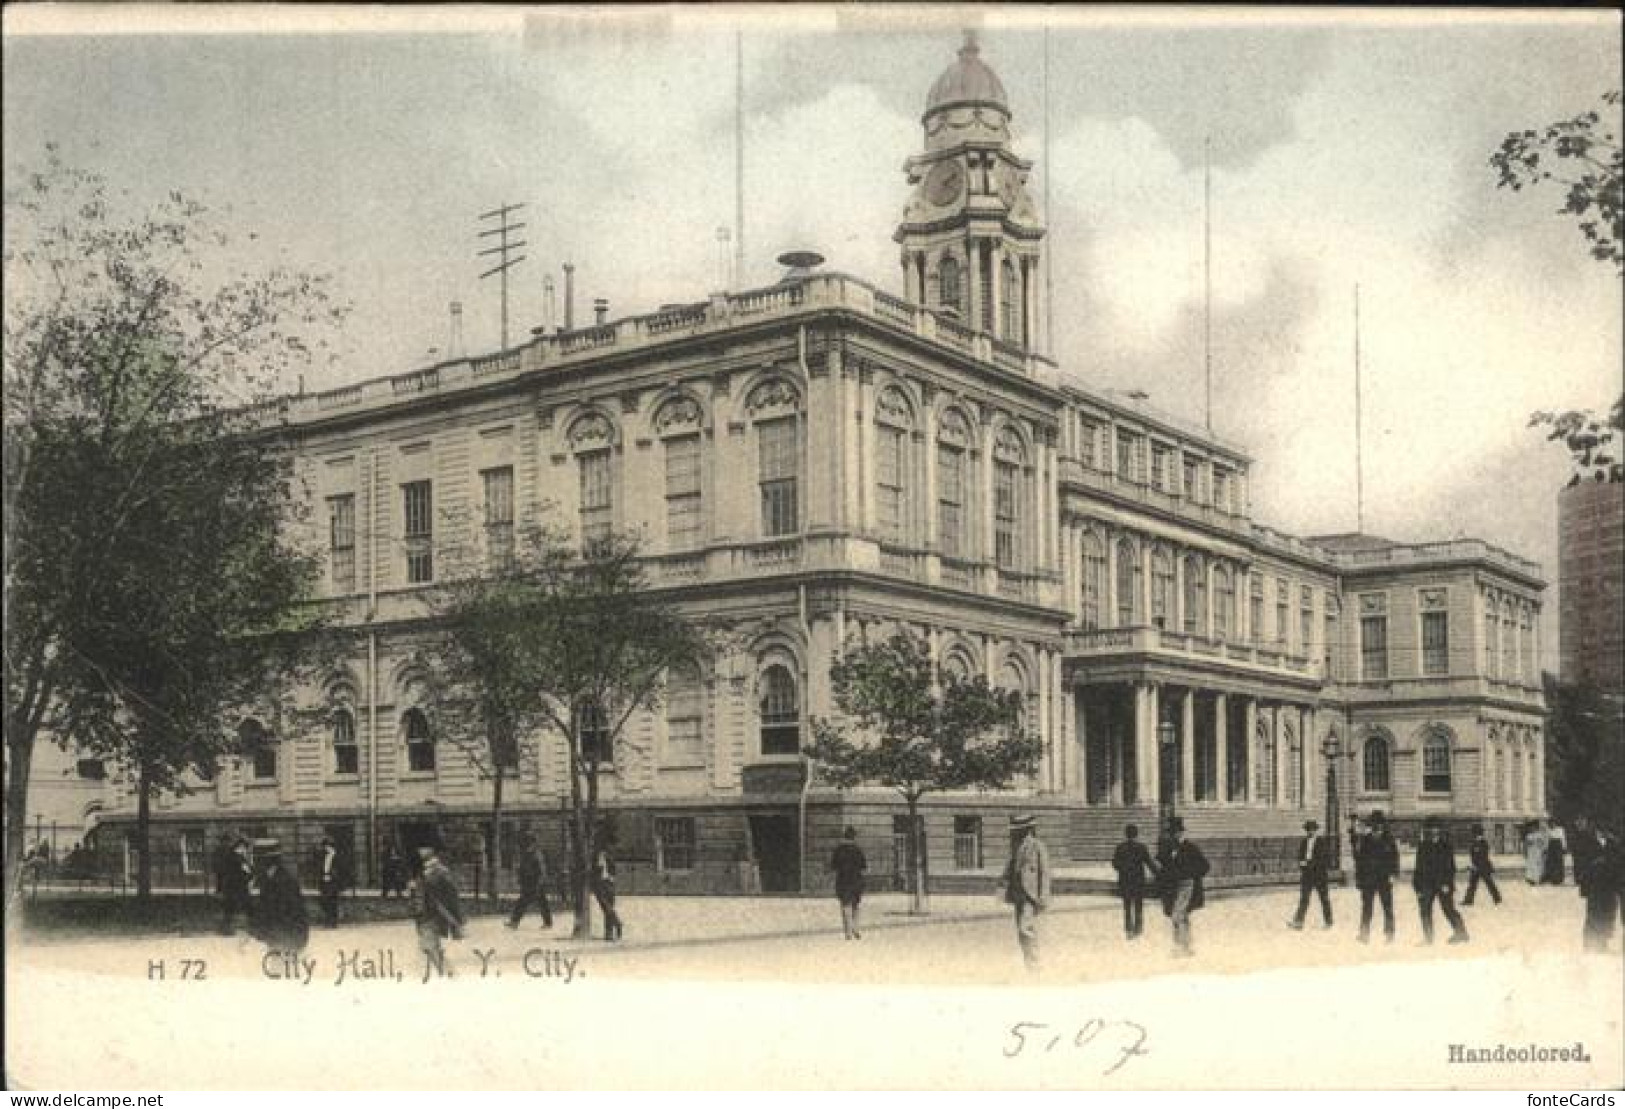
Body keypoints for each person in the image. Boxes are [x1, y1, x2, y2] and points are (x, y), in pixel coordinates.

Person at [1000, 814, 1050, 972]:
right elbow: (1010, 867)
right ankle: (1029, 963)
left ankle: (1035, 964)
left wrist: (1043, 895)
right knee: (1021, 931)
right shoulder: (1016, 846)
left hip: (1031, 894)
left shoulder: (1037, 846)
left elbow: (1045, 872)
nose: (1017, 833)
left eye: (1020, 830)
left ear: (1028, 830)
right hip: (1018, 894)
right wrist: (1003, 883)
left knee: (1025, 928)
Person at [1157, 818, 1210, 958]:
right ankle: (1185, 947)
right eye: (1171, 833)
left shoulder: (1190, 847)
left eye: (1176, 833)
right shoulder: (1167, 848)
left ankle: (1179, 946)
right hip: (1172, 886)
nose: (1173, 835)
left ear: (1181, 833)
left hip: (1186, 885)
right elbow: (1163, 866)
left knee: (1177, 914)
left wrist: (1190, 873)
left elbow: (1204, 866)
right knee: (1180, 915)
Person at [1412, 817, 1469, 945]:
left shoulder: (1446, 846)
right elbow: (1418, 868)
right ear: (1427, 831)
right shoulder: (1423, 846)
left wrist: (1447, 884)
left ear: (1440, 830)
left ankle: (1461, 933)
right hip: (1426, 884)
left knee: (1448, 909)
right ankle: (1428, 938)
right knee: (1425, 910)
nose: (1433, 831)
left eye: (1436, 828)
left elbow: (1451, 867)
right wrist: (1417, 887)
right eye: (1431, 829)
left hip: (1442, 884)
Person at [413, 845, 466, 975]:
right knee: (428, 947)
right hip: (423, 915)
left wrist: (457, 921)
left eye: (424, 847)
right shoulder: (423, 871)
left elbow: (452, 897)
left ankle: (450, 975)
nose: (420, 850)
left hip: (434, 915)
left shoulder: (440, 872)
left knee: (429, 946)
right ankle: (449, 974)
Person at [249, 842, 309, 957]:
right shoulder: (268, 879)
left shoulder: (285, 882)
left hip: (288, 941)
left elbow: (287, 915)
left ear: (267, 862)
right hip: (277, 940)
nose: (254, 865)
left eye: (257, 860)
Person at [1353, 810, 1400, 943]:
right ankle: (1364, 934)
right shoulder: (1365, 840)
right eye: (1374, 825)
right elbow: (1360, 861)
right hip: (1368, 879)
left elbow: (1394, 858)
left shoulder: (1389, 839)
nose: (1376, 828)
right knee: (1367, 907)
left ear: (1383, 826)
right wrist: (1359, 879)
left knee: (1387, 907)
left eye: (1379, 825)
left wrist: (1393, 874)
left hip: (1384, 878)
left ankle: (1389, 933)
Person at [1578, 827, 1622, 953]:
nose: (1602, 832)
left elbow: (1617, 863)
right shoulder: (1587, 842)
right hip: (1594, 885)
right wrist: (1584, 887)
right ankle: (1589, 944)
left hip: (1608, 886)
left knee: (1607, 914)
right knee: (1592, 913)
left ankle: (1602, 943)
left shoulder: (1613, 843)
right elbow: (1582, 863)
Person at [1111, 824, 1157, 940]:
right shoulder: (1141, 847)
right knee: (1138, 905)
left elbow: (1115, 864)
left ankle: (1128, 930)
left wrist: (1124, 868)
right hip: (1138, 881)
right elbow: (1149, 863)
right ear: (1137, 834)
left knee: (1127, 906)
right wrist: (1158, 874)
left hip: (1125, 880)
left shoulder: (1120, 847)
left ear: (1126, 834)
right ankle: (1138, 928)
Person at [1288, 819, 1333, 930]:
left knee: (1324, 898)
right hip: (1307, 874)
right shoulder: (1304, 842)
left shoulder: (1321, 842)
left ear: (1316, 830)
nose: (1310, 832)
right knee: (1304, 898)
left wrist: (1308, 863)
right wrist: (1301, 863)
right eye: (1308, 830)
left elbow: (1322, 859)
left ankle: (1328, 921)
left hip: (1319, 875)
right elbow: (1300, 856)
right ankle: (1299, 922)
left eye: (1312, 830)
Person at [506, 831, 554, 930]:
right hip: (528, 882)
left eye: (528, 842)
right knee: (530, 902)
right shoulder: (526, 854)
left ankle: (515, 922)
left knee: (531, 902)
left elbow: (542, 870)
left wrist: (539, 883)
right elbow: (522, 868)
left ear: (533, 842)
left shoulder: (536, 854)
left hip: (536, 882)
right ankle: (515, 922)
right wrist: (520, 878)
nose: (526, 844)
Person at [829, 826, 867, 940]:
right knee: (855, 905)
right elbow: (864, 866)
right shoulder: (858, 850)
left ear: (844, 836)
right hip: (856, 881)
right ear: (854, 837)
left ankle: (848, 932)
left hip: (843, 881)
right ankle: (856, 928)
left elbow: (833, 866)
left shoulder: (839, 850)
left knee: (845, 906)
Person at [215, 836, 254, 936]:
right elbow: (247, 871)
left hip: (232, 886)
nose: (246, 850)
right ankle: (228, 929)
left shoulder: (231, 856)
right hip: (237, 886)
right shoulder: (237, 858)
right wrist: (249, 875)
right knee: (244, 906)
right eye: (245, 848)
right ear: (240, 847)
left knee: (230, 908)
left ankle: (226, 929)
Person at [592, 839, 624, 942]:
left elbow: (613, 870)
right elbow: (593, 871)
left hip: (608, 884)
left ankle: (609, 934)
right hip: (599, 885)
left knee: (608, 908)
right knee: (606, 907)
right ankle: (617, 923)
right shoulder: (594, 859)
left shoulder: (609, 858)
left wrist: (611, 879)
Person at [1462, 824, 1501, 907]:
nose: (1473, 834)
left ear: (1476, 833)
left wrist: (1477, 866)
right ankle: (1468, 900)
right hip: (1476, 867)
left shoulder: (1483, 843)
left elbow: (1483, 856)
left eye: (1474, 833)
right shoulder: (1474, 842)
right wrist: (1472, 865)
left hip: (1483, 867)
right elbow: (1473, 855)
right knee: (1472, 884)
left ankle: (1497, 898)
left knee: (1489, 883)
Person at [317, 836, 342, 928]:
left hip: (332, 881)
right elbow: (321, 867)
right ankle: (328, 920)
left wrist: (334, 876)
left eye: (326, 846)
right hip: (324, 880)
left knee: (332, 902)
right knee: (324, 901)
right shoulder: (323, 855)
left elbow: (340, 869)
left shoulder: (337, 856)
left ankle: (333, 922)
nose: (325, 848)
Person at [1523, 820, 1549, 885]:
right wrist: (1525, 852)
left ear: (1535, 827)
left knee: (1538, 865)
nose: (1531, 829)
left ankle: (1537, 878)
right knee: (1530, 864)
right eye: (1530, 828)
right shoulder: (1528, 835)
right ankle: (1530, 878)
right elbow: (1525, 844)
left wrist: (1543, 849)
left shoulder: (1539, 835)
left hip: (1537, 851)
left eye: (1533, 827)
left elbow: (1543, 843)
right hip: (1530, 851)